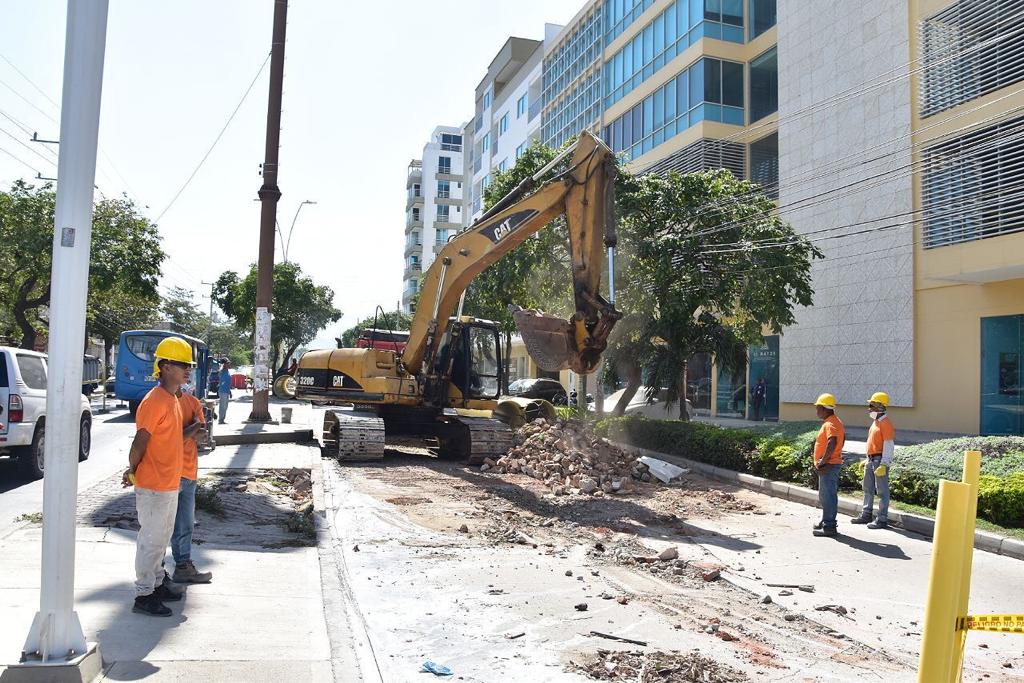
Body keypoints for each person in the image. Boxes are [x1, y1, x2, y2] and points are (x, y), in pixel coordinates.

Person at [122, 336, 202, 616]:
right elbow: (139, 442)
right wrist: (132, 470)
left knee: (160, 539)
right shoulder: (155, 401)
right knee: (151, 541)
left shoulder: (173, 399)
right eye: (183, 364)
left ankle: (156, 583)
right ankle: (144, 595)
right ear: (166, 366)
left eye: (189, 364)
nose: (188, 369)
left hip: (168, 482)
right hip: (154, 484)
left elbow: (170, 439)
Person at [171, 385, 214, 583]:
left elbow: (201, 435)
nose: (185, 372)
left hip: (189, 473)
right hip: (169, 474)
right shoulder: (162, 402)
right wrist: (194, 426)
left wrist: (194, 429)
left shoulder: (192, 402)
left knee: (186, 525)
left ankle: (183, 566)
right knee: (165, 526)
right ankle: (158, 572)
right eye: (182, 367)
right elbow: (174, 439)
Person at [851, 392, 895, 530]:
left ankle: (881, 519)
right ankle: (866, 514)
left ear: (880, 406)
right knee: (868, 488)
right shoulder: (876, 422)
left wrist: (884, 463)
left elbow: (889, 445)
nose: (869, 408)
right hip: (872, 459)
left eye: (871, 405)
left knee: (882, 491)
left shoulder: (885, 423)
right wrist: (867, 459)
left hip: (879, 460)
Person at [811, 393, 845, 538]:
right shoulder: (836, 421)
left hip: (829, 465)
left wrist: (824, 460)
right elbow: (842, 440)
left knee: (828, 496)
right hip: (831, 463)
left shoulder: (830, 423)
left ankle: (829, 527)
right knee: (825, 495)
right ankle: (826, 520)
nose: (817, 411)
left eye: (818, 408)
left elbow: (832, 442)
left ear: (825, 409)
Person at [217, 359, 231, 424]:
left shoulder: (227, 371)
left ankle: (222, 419)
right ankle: (220, 419)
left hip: (227, 391)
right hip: (222, 391)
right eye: (227, 363)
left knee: (225, 406)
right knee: (222, 406)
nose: (228, 364)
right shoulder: (222, 371)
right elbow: (221, 380)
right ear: (224, 364)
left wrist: (230, 391)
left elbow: (228, 382)